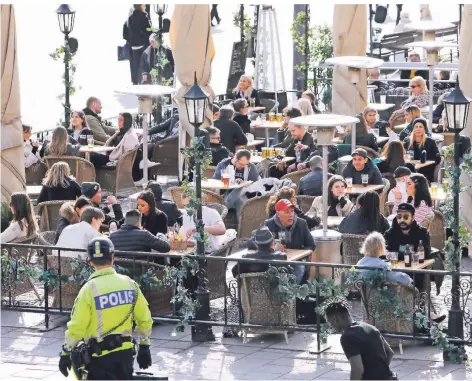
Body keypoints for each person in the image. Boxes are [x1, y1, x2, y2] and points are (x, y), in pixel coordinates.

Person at [58, 237, 153, 380]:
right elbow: (144, 319)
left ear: (90, 262)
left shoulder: (88, 290)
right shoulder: (130, 284)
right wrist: (144, 346)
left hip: (99, 358)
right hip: (125, 355)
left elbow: (77, 327)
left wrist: (66, 352)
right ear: (113, 258)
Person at [323, 297, 396, 381]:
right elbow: (390, 352)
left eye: (330, 322)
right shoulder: (370, 327)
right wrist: (380, 372)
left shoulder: (347, 337)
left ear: (336, 319)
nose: (331, 326)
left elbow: (357, 370)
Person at [264, 199, 316, 284]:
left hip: (297, 260)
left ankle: (291, 294)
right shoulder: (269, 224)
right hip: (277, 260)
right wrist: (272, 247)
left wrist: (301, 254)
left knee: (299, 268)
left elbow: (311, 245)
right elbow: (253, 243)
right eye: (287, 212)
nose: (291, 215)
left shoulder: (301, 223)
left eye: (292, 211)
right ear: (278, 214)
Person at [403, 118, 440, 182]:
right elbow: (404, 155)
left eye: (420, 127)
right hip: (410, 170)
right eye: (416, 127)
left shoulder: (430, 142)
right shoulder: (407, 141)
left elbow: (437, 158)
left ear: (424, 129)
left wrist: (426, 160)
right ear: (413, 128)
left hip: (425, 172)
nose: (418, 129)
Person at [127, 4, 152, 85]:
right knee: (143, 65)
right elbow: (148, 30)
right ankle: (142, 82)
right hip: (142, 44)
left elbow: (129, 31)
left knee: (135, 66)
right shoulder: (144, 18)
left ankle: (135, 82)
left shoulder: (130, 18)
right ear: (141, 7)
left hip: (134, 46)